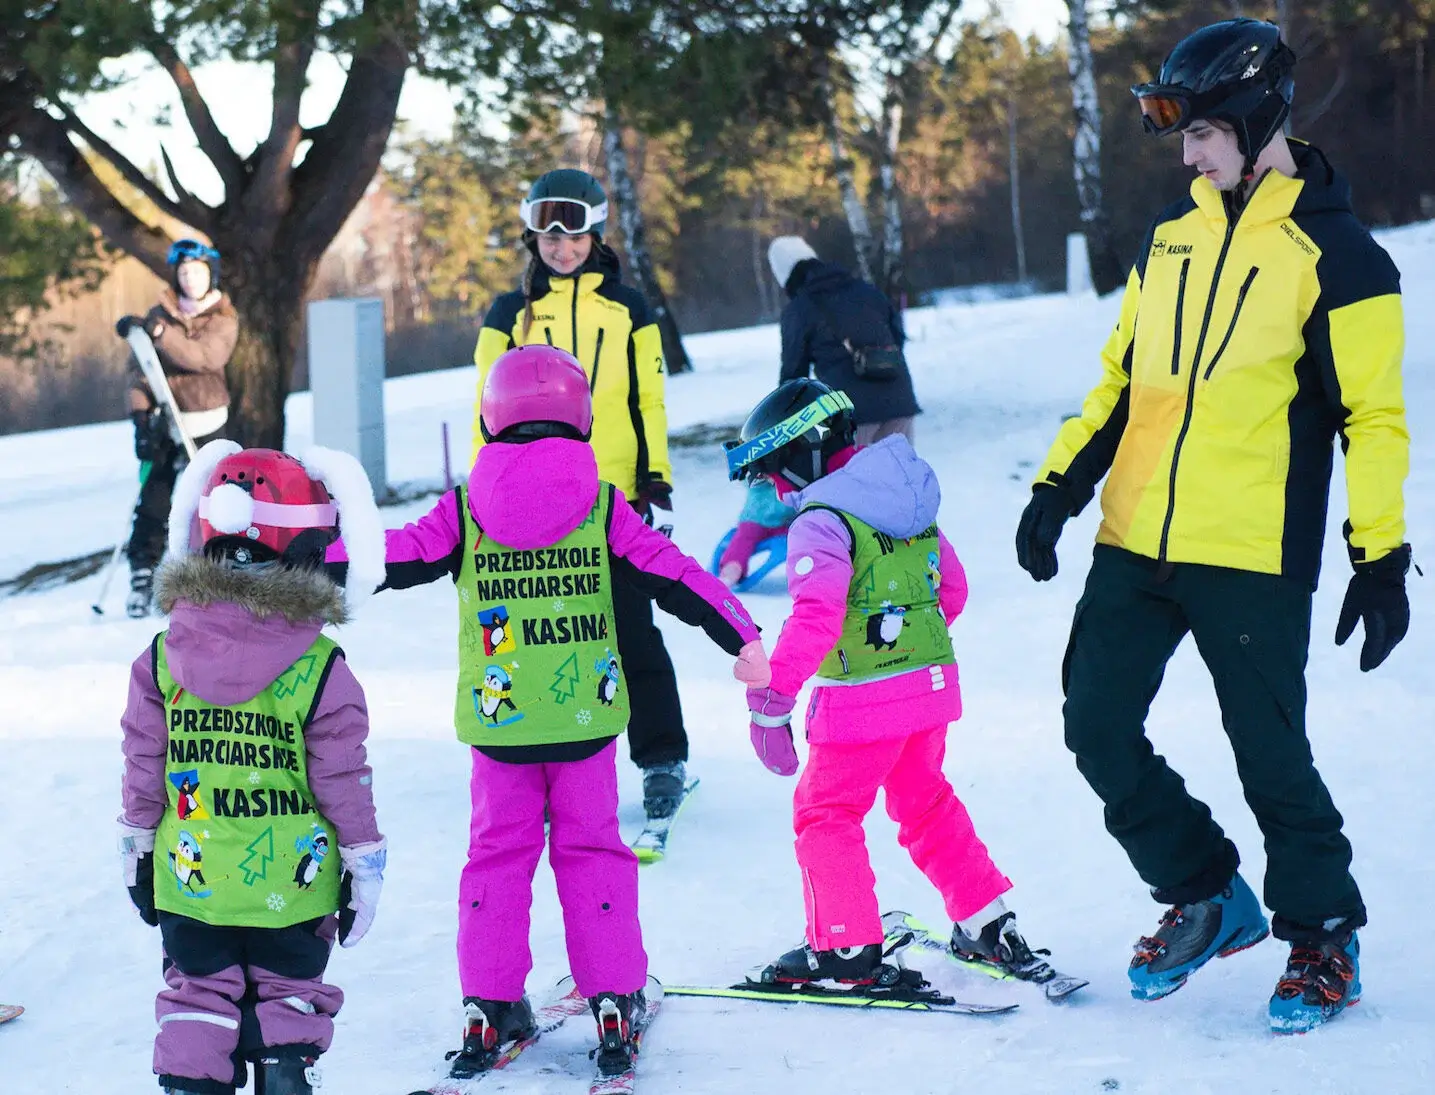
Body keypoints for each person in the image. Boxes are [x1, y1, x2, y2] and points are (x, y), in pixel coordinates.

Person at [1016, 19, 1409, 1033]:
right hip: (1135, 536)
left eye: (1200, 134)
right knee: (1093, 724)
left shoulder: (1337, 254)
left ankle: (1322, 935)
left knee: (1267, 752)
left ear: (1254, 119)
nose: (1185, 154)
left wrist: (1380, 554)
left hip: (1249, 549)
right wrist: (1056, 489)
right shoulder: (1171, 240)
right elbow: (1121, 380)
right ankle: (1202, 892)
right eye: (1180, 136)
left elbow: (1373, 418)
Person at [340, 345, 768, 1080]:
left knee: (496, 857)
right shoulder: (602, 505)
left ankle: (489, 1004)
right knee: (592, 851)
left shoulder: (468, 506)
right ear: (582, 418)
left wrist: (309, 554)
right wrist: (744, 633)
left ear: (490, 419)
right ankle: (611, 996)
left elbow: (396, 557)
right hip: (584, 723)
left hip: (498, 724)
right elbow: (675, 575)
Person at [728, 378, 1058, 988]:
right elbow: (950, 590)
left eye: (775, 473)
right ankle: (988, 921)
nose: (774, 490)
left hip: (858, 705)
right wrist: (906, 653)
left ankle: (845, 951)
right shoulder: (906, 505)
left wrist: (773, 699)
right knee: (925, 801)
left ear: (804, 455)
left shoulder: (821, 520)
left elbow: (817, 617)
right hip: (929, 691)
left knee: (826, 811)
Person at [118, 440, 389, 1095]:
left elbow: (142, 760)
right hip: (291, 888)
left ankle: (192, 1084)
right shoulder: (322, 666)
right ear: (302, 551)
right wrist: (362, 860)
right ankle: (285, 1072)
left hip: (193, 880)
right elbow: (341, 779)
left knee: (197, 991)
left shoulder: (161, 657)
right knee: (287, 989)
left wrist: (138, 843)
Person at [470, 169, 690, 821]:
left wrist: (656, 479)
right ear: (530, 232)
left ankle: (661, 758)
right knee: (536, 635)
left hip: (611, 494)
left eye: (573, 233)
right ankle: (542, 767)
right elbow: (484, 405)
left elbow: (646, 398)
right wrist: (486, 490)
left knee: (630, 630)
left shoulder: (629, 307)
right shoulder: (508, 314)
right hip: (527, 506)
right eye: (547, 231)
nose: (560, 246)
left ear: (595, 233)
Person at [116, 239, 240, 619]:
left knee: (208, 501)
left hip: (205, 424)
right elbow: (141, 372)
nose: (190, 280)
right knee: (154, 497)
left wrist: (160, 334)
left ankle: (214, 573)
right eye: (184, 273)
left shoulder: (222, 318)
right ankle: (142, 574)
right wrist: (141, 415)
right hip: (166, 422)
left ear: (210, 275)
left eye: (197, 272)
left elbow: (204, 358)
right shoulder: (161, 314)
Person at [768, 236, 920, 446]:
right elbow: (897, 335)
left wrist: (781, 419)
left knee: (859, 478)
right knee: (900, 474)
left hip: (852, 412)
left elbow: (794, 376)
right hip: (899, 400)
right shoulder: (865, 290)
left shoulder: (799, 310)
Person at [717, 478, 794, 588]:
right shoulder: (758, 471)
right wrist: (762, 475)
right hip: (756, 519)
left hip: (787, 522)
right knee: (743, 540)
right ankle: (731, 569)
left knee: (808, 534)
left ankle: (817, 571)